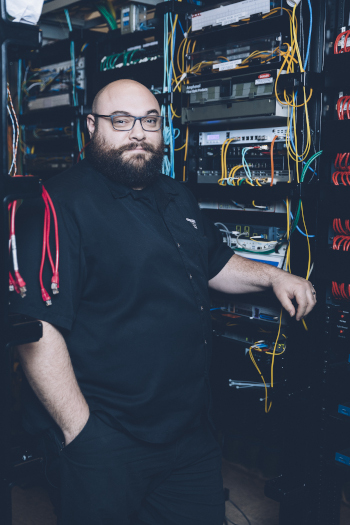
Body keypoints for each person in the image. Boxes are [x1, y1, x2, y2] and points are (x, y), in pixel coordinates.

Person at [10, 79, 316, 525]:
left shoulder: (176, 194)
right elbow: (37, 328)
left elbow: (215, 263)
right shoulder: (55, 205)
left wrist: (273, 275)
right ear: (91, 127)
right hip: (107, 435)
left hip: (189, 433)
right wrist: (82, 432)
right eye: (121, 121)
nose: (138, 133)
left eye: (149, 121)